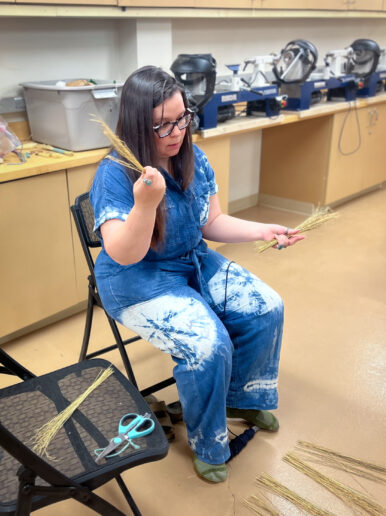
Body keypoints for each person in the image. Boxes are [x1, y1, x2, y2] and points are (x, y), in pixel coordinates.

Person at [90, 65, 305, 483]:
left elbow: (211, 222)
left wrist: (263, 229)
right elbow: (125, 253)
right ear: (136, 125)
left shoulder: (191, 156)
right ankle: (209, 443)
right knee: (208, 345)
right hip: (138, 279)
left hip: (192, 260)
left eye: (182, 118)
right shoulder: (114, 173)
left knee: (266, 307)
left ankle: (240, 399)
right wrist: (145, 205)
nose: (176, 133)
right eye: (163, 125)